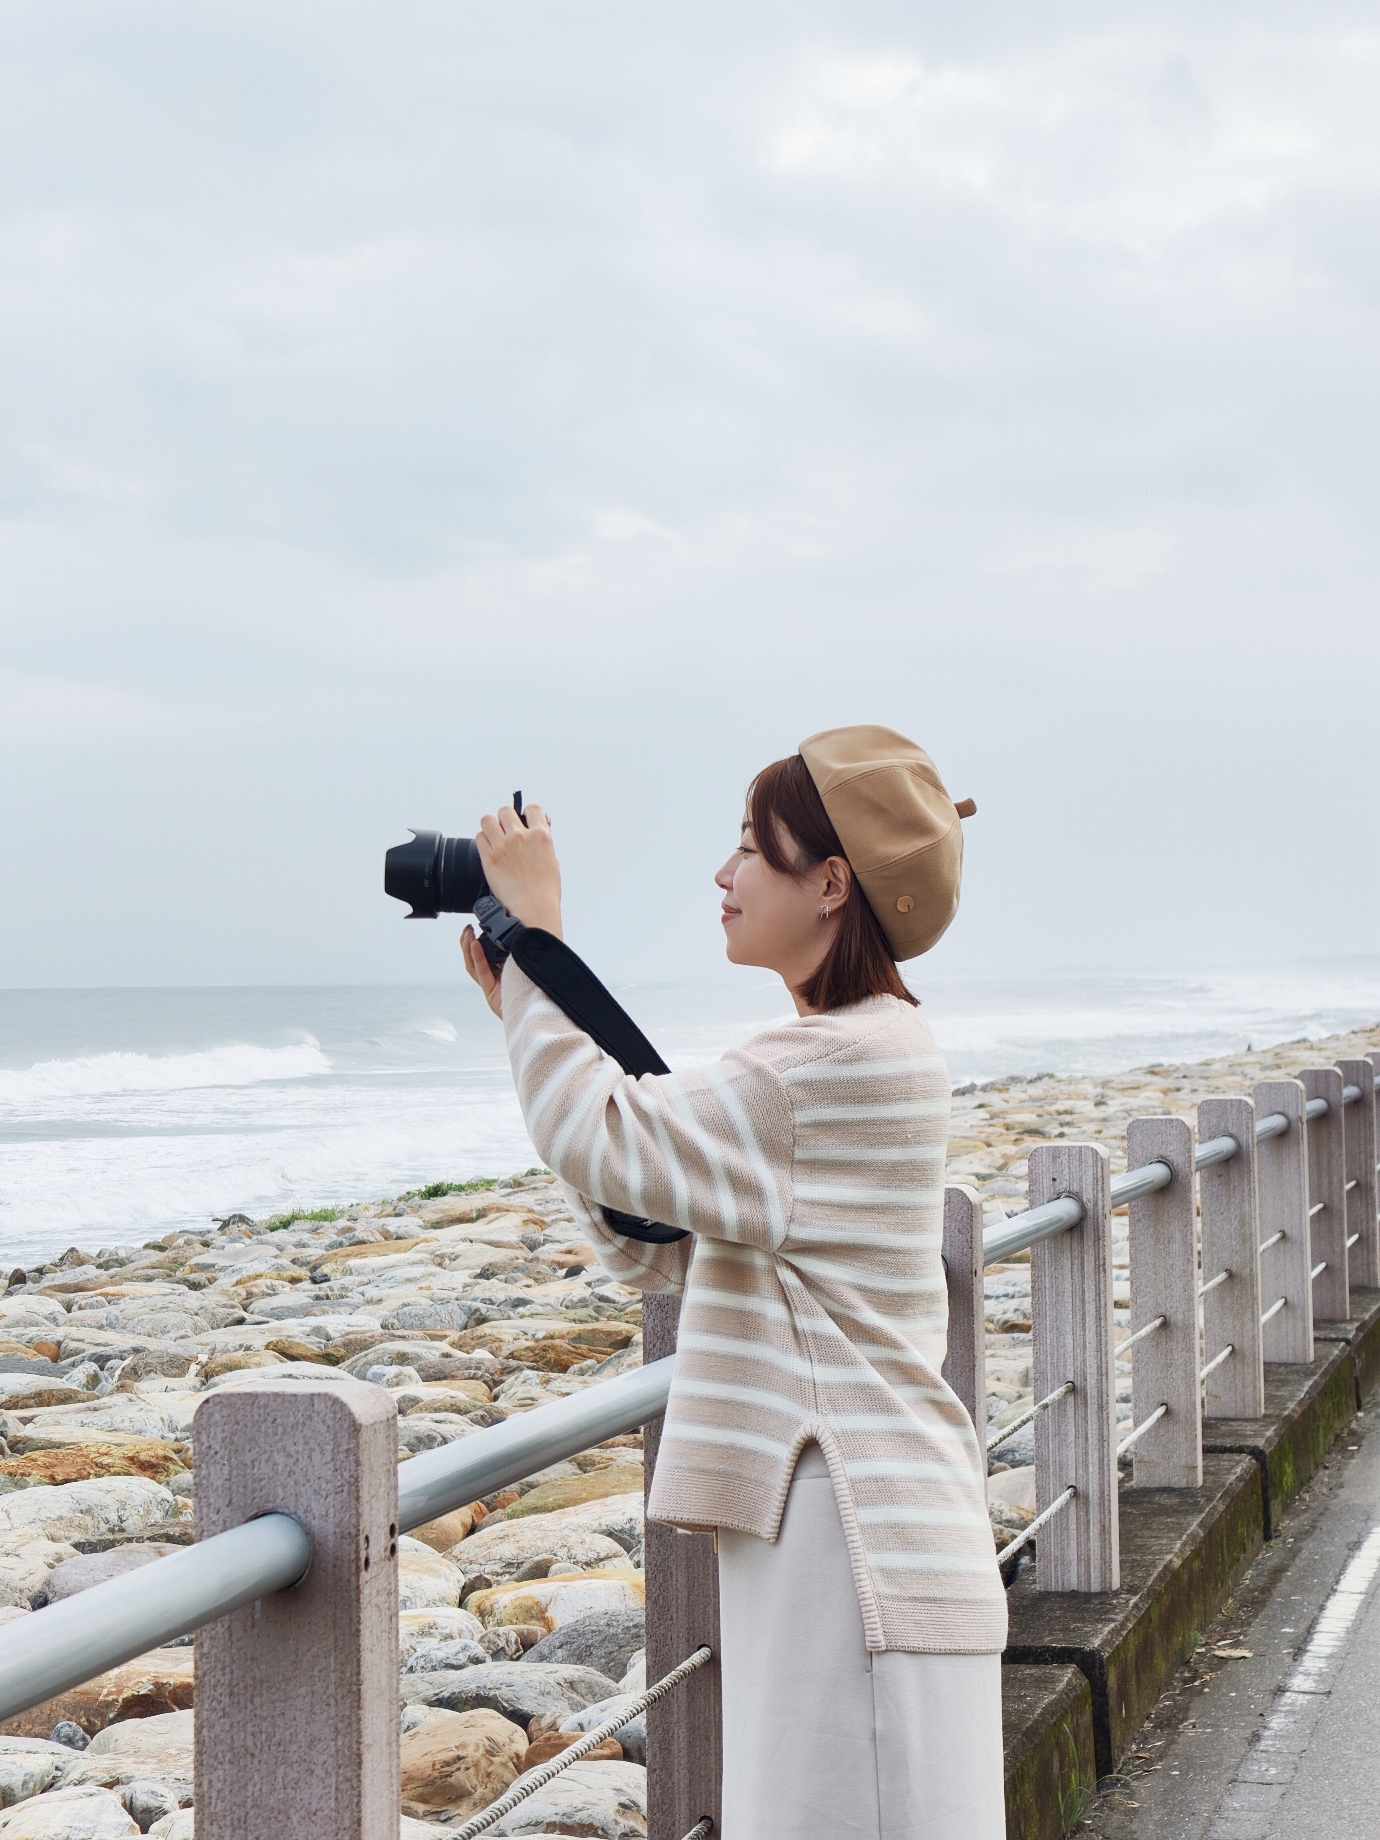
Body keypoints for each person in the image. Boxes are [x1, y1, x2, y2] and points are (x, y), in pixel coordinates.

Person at [461, 724, 1006, 1840]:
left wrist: (542, 951)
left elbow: (604, 1136)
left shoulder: (832, 1066)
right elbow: (650, 1235)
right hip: (853, 1536)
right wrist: (527, 1001)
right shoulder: (861, 1052)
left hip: (848, 1540)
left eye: (753, 848)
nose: (724, 874)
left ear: (831, 883)